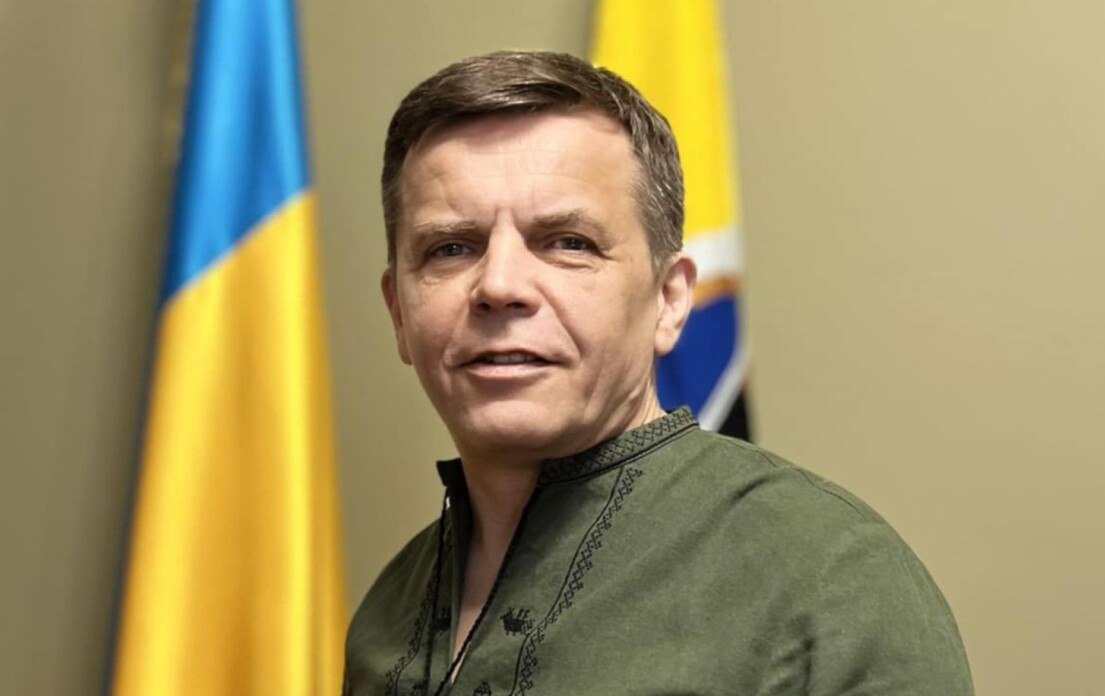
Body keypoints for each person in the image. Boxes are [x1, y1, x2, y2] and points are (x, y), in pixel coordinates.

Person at [344, 50, 973, 696]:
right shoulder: (387, 613)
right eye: (450, 248)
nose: (500, 286)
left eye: (568, 243)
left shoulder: (830, 579)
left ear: (670, 301)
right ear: (399, 313)